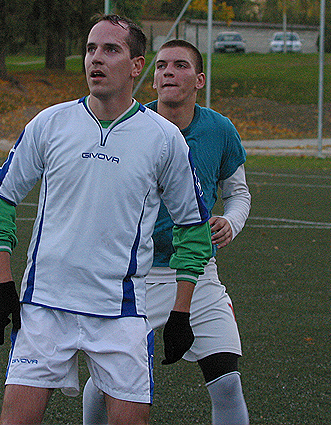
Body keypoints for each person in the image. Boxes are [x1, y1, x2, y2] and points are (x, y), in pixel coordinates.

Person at [0, 16, 213, 425]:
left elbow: (193, 229)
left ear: (136, 66)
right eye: (90, 49)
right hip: (44, 306)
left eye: (110, 50)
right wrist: (1, 282)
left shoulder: (163, 138)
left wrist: (181, 311)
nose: (95, 59)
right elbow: (0, 200)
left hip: (120, 312)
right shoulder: (50, 123)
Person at [82, 40, 251, 425]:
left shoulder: (220, 129)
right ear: (153, 80)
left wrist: (231, 221)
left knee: (227, 383)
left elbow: (238, 193)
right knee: (105, 384)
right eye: (161, 66)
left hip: (198, 275)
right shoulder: (129, 125)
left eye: (180, 65)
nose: (169, 72)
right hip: (133, 277)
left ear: (199, 80)